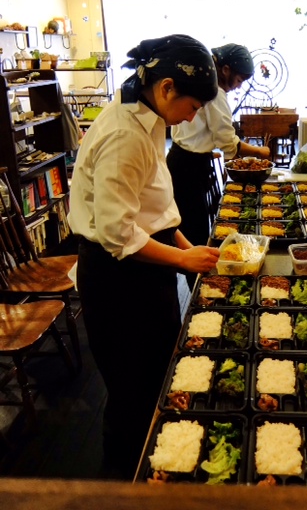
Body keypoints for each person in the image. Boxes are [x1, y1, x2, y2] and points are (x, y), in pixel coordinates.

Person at [67, 35, 220, 479]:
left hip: (144, 268)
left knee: (155, 376)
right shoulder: (124, 134)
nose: (193, 117)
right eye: (193, 106)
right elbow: (118, 234)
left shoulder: (147, 117)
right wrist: (182, 261)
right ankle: (122, 485)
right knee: (131, 392)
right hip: (117, 278)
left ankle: (157, 470)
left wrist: (187, 246)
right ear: (167, 87)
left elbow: (153, 207)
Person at [166, 43, 270, 261]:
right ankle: (197, 275)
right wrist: (260, 151)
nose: (239, 87)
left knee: (187, 224)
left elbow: (204, 133)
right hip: (188, 166)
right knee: (194, 228)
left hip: (181, 158)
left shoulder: (202, 87)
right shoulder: (214, 93)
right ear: (225, 70)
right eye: (239, 80)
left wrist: (208, 149)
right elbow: (227, 141)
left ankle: (194, 268)